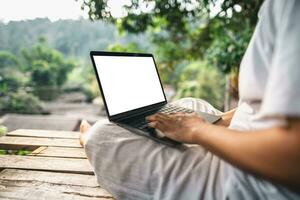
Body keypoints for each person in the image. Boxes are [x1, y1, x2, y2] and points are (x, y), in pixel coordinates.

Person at [79, 0, 300, 199]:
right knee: (190, 104)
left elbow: (293, 157)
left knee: (102, 134)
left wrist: (198, 131)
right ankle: (175, 135)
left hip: (245, 181)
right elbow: (257, 105)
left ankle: (88, 142)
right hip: (243, 144)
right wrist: (222, 120)